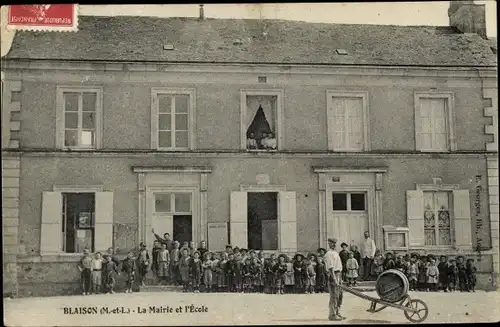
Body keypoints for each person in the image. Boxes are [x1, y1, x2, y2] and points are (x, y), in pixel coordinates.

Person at [325, 238, 345, 321]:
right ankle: (332, 315)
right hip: (333, 275)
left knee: (340, 295)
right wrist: (335, 279)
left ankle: (337, 312)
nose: (334, 244)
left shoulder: (335, 253)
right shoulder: (329, 254)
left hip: (338, 274)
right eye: (332, 243)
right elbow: (330, 268)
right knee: (334, 296)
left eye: (335, 243)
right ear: (329, 243)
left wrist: (340, 279)